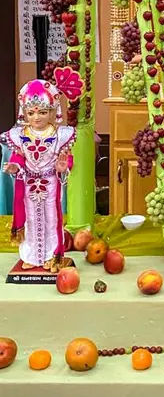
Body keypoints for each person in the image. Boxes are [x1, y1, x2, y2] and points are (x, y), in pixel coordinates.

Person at [2, 67, 82, 271]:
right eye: (31, 112)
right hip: (28, 184)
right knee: (30, 219)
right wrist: (14, 166)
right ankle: (31, 256)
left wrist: (63, 166)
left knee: (52, 219)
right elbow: (18, 157)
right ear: (24, 112)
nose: (36, 117)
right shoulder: (19, 135)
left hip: (51, 184)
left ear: (53, 112)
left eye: (42, 112)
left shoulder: (61, 135)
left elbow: (67, 159)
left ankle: (51, 256)